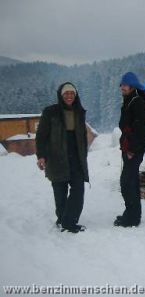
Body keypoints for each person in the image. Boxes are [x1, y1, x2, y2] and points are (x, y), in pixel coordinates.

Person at [36, 82, 89, 233]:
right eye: (66, 93)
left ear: (75, 95)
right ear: (61, 95)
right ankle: (62, 220)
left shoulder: (79, 112)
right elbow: (41, 136)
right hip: (56, 156)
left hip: (76, 156)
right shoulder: (50, 112)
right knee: (60, 190)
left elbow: (83, 136)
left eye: (72, 93)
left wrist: (84, 153)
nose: (69, 96)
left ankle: (69, 221)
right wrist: (41, 156)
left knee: (78, 189)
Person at [114, 72, 145, 227]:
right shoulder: (129, 101)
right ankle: (133, 215)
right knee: (132, 182)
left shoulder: (137, 103)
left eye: (125, 85)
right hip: (128, 148)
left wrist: (132, 150)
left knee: (126, 183)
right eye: (121, 84)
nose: (122, 87)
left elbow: (141, 130)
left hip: (133, 150)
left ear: (132, 86)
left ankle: (131, 217)